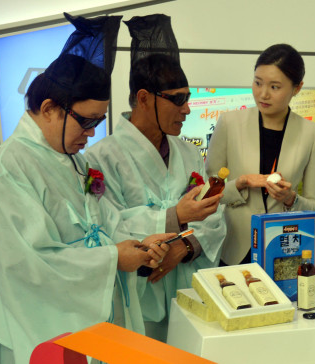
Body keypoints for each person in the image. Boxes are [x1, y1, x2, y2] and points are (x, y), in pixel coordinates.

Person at [0, 14, 173, 364]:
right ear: (49, 109)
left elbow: (103, 219)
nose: (92, 133)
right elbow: (30, 264)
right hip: (39, 327)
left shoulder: (74, 160)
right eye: (86, 121)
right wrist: (113, 258)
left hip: (89, 322)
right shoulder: (6, 169)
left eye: (98, 122)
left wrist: (143, 241)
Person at [85, 14, 225, 342]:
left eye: (187, 98)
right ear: (145, 98)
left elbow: (213, 215)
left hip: (189, 291)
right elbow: (106, 227)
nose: (187, 109)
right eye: (177, 100)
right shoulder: (100, 158)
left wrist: (186, 246)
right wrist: (174, 217)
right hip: (138, 296)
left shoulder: (189, 153)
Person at [206, 43, 315, 265]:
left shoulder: (312, 134)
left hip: (284, 251)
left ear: (297, 88)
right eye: (257, 82)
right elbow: (207, 192)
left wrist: (290, 199)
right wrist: (240, 183)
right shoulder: (229, 123)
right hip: (233, 250)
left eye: (275, 87)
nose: (263, 94)